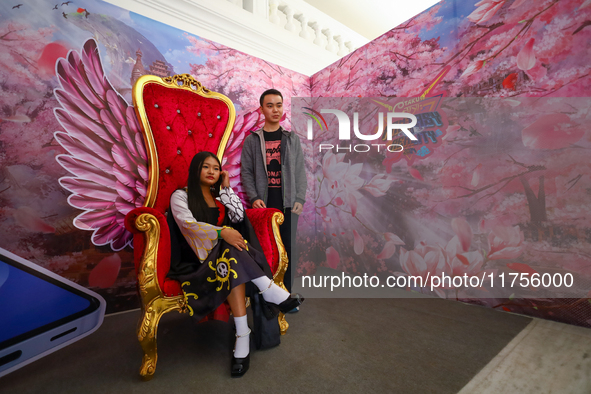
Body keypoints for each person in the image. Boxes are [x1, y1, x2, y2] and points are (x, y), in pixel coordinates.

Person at [168, 151, 304, 378]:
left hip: (227, 261)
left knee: (231, 253)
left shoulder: (220, 195)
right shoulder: (180, 196)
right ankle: (270, 290)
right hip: (198, 261)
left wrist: (226, 189)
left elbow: (240, 216)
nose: (211, 172)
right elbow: (188, 226)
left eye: (215, 168)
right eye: (206, 167)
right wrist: (223, 232)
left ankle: (243, 334)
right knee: (229, 245)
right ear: (195, 169)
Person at [240, 89, 307, 296]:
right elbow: (246, 172)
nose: (275, 109)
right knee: (265, 250)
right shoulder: (252, 140)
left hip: (288, 204)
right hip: (264, 204)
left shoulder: (291, 138)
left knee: (288, 249)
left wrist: (300, 198)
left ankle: (286, 293)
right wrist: (255, 197)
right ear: (262, 109)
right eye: (270, 105)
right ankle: (268, 295)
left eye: (278, 105)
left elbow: (300, 170)